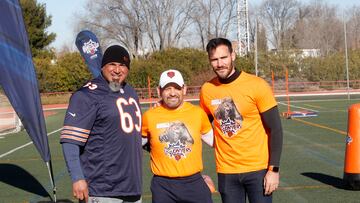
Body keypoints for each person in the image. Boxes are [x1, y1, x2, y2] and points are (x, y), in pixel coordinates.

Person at [200, 38, 283, 203]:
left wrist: (273, 170)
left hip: (257, 169)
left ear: (233, 56)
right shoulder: (207, 90)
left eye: (223, 57)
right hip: (226, 171)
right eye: (214, 60)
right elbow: (198, 126)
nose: (219, 63)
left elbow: (276, 129)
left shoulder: (256, 85)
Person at [60, 45, 142, 203]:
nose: (117, 70)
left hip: (131, 187)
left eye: (123, 65)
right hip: (102, 189)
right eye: (112, 64)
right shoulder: (87, 95)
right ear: (103, 66)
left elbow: (133, 134)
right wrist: (77, 178)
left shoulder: (130, 91)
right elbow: (70, 141)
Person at [141, 69, 214, 203]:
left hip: (194, 183)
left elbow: (218, 143)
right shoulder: (149, 116)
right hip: (163, 186)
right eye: (167, 88)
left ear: (184, 89)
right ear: (159, 91)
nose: (172, 93)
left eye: (177, 88)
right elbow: (133, 144)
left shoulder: (198, 113)